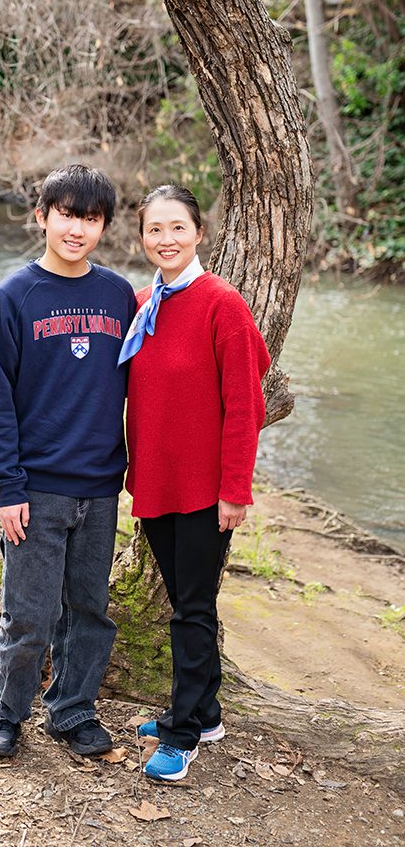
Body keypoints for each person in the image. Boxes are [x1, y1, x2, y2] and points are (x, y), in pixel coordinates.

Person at [0, 164, 136, 759]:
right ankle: (6, 712)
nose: (77, 230)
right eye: (67, 215)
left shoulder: (118, 295)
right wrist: (7, 486)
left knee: (90, 609)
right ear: (42, 217)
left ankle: (72, 710)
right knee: (29, 614)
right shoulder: (14, 297)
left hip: (100, 485)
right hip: (36, 488)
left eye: (91, 219)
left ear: (104, 227)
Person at [120, 184, 270, 782]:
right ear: (142, 238)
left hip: (207, 491)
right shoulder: (142, 304)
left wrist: (236, 489)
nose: (166, 239)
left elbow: (246, 404)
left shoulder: (222, 304)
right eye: (154, 229)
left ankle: (181, 735)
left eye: (177, 227)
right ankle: (205, 714)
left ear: (199, 233)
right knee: (186, 603)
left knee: (192, 611)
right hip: (156, 482)